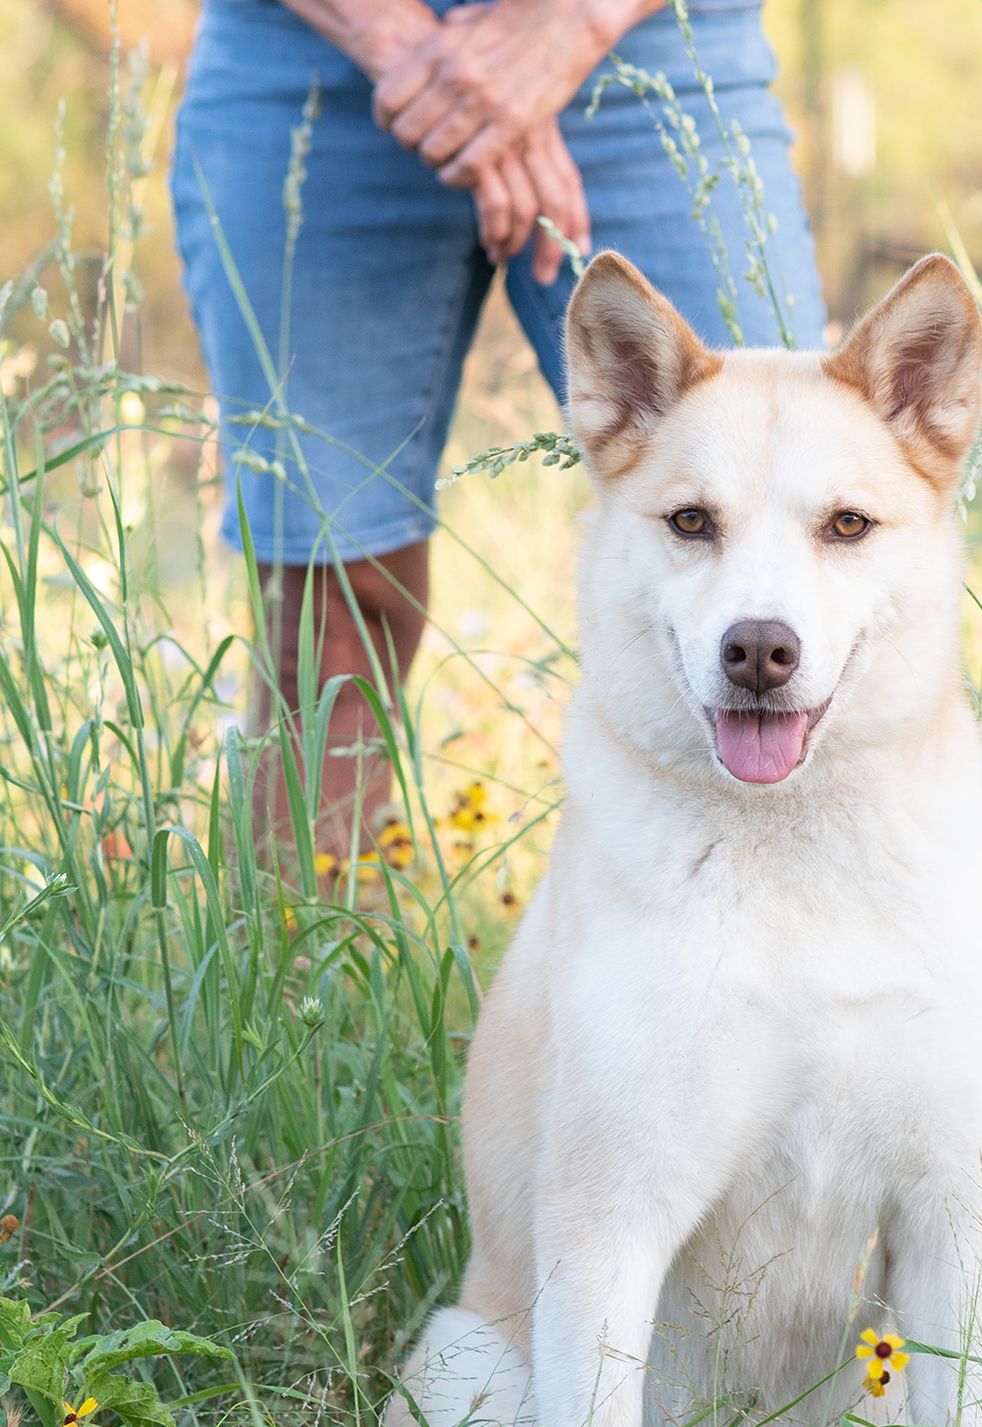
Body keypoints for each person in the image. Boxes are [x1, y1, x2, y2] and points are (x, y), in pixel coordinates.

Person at [170, 0, 827, 846]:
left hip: (656, 42)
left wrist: (570, 24)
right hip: (310, 51)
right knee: (327, 592)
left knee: (782, 527)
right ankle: (305, 961)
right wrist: (403, 45)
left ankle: (799, 965)